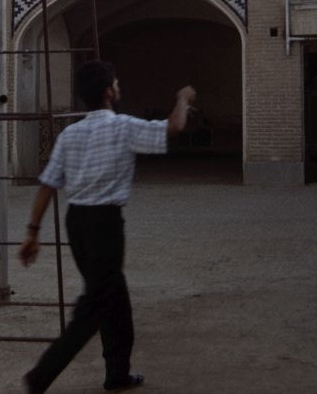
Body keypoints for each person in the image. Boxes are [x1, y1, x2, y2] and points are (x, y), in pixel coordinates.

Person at [20, 60, 196, 393]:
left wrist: (32, 232)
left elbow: (48, 184)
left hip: (77, 223)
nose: (119, 88)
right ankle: (40, 376)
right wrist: (183, 99)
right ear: (108, 93)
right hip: (104, 225)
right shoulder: (122, 127)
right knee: (94, 306)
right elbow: (174, 127)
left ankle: (118, 374)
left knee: (116, 302)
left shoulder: (70, 134)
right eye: (116, 83)